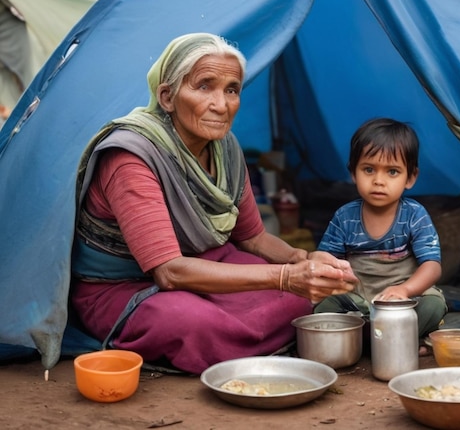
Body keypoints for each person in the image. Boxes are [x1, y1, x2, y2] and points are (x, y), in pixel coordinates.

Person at [70, 32, 358, 375]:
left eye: (231, 89)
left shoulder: (226, 148)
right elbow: (170, 272)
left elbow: (252, 238)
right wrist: (286, 276)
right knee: (189, 322)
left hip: (202, 266)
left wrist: (304, 259)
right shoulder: (132, 157)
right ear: (167, 96)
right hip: (123, 286)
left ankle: (235, 343)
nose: (221, 105)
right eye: (204, 86)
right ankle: (231, 342)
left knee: (294, 302)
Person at [313, 118, 447, 354]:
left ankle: (380, 340)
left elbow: (432, 267)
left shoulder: (414, 215)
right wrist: (318, 262)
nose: (378, 180)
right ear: (353, 172)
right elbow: (326, 259)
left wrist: (405, 290)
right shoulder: (345, 217)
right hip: (360, 302)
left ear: (410, 178)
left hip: (404, 304)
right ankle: (393, 342)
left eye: (392, 171)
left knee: (434, 305)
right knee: (323, 307)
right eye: (368, 169)